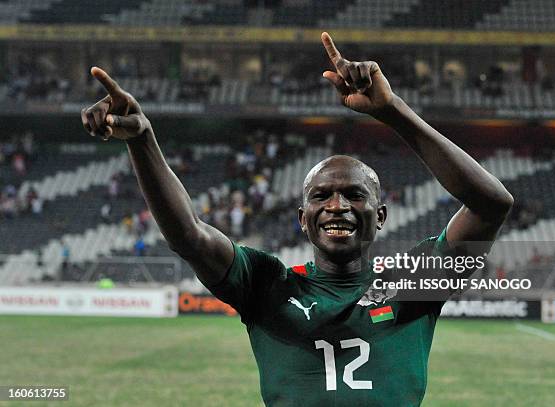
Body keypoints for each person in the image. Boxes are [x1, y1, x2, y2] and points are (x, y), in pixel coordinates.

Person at [81, 33, 513, 407]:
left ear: (380, 216)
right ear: (303, 220)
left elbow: (491, 204)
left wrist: (392, 110)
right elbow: (189, 236)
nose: (337, 206)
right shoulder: (267, 285)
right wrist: (142, 140)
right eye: (321, 197)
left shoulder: (415, 285)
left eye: (353, 195)